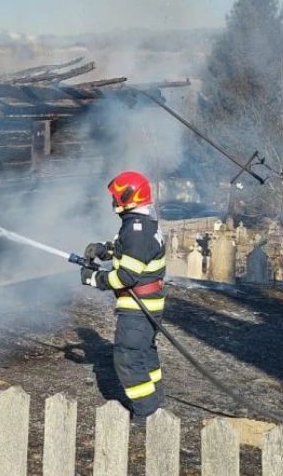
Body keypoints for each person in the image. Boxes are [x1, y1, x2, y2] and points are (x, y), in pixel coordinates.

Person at [80, 170, 167, 418]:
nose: (112, 201)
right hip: (148, 306)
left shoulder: (136, 231)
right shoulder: (141, 225)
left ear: (128, 198)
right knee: (144, 352)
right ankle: (155, 399)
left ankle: (145, 411)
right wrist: (104, 250)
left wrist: (94, 279)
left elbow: (126, 277)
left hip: (138, 309)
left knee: (127, 356)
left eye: (116, 197)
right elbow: (132, 254)